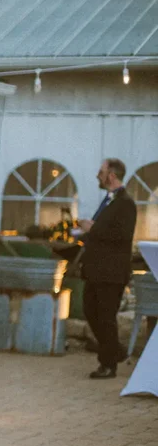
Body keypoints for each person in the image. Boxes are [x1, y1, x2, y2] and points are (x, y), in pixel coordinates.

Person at [78, 158, 137, 379]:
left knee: (105, 317)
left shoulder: (126, 203)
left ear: (111, 175)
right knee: (90, 311)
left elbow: (122, 236)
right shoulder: (109, 201)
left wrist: (93, 228)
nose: (97, 175)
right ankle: (116, 351)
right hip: (96, 270)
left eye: (101, 171)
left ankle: (108, 364)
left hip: (111, 272)